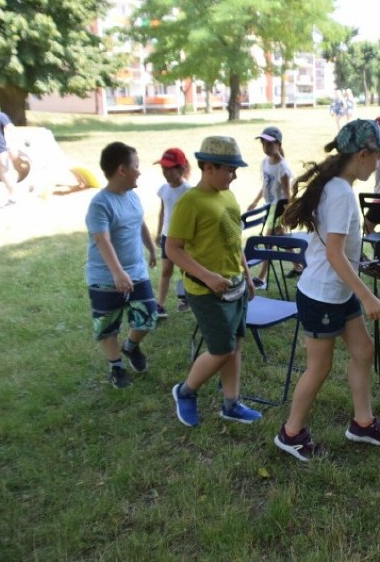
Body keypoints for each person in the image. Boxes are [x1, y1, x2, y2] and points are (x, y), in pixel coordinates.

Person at [274, 119, 380, 462]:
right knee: (319, 367)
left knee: (363, 350)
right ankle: (291, 433)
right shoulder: (341, 193)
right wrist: (367, 294)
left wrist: (361, 270)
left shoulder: (333, 184)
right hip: (323, 295)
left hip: (337, 291)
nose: (378, 163)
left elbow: (337, 251)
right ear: (362, 154)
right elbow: (333, 253)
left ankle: (362, 423)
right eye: (377, 156)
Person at [167, 136, 262, 427]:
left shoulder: (228, 196)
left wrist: (247, 274)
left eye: (235, 170)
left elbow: (234, 240)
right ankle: (185, 391)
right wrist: (208, 276)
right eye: (228, 170)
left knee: (235, 345)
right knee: (221, 349)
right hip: (206, 291)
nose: (232, 176)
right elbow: (172, 249)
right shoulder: (190, 202)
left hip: (236, 287)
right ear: (207, 166)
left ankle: (231, 404)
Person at [85, 142, 158, 389]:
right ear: (122, 170)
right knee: (107, 326)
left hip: (136, 271)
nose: (139, 171)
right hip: (105, 275)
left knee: (147, 317)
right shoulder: (100, 204)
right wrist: (117, 272)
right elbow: (102, 240)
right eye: (136, 166)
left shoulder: (133, 196)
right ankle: (116, 366)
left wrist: (151, 247)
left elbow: (140, 223)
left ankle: (131, 346)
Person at [246, 126, 299, 287]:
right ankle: (298, 265)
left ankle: (261, 278)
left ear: (278, 144)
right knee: (279, 238)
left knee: (268, 240)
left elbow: (287, 194)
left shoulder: (283, 168)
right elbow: (265, 185)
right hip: (269, 206)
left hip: (278, 207)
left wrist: (289, 212)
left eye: (269, 144)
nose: (266, 147)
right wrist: (255, 201)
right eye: (263, 144)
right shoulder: (265, 163)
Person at [153, 148, 191, 317]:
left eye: (170, 169)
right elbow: (163, 211)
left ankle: (188, 297)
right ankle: (159, 305)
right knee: (165, 271)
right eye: (163, 169)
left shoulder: (189, 191)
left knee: (186, 270)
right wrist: (159, 231)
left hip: (184, 238)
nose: (166, 173)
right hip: (168, 236)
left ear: (181, 169)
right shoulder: (163, 189)